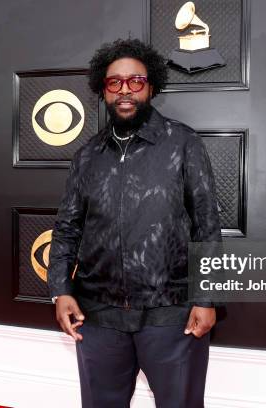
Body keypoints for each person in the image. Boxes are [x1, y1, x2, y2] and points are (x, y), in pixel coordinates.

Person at [47, 38, 222, 408]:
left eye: (135, 81)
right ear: (103, 90)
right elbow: (66, 229)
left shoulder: (183, 143)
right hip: (98, 317)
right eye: (115, 83)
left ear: (151, 86)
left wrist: (206, 298)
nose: (125, 90)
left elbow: (206, 227)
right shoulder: (86, 156)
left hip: (172, 317)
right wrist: (60, 290)